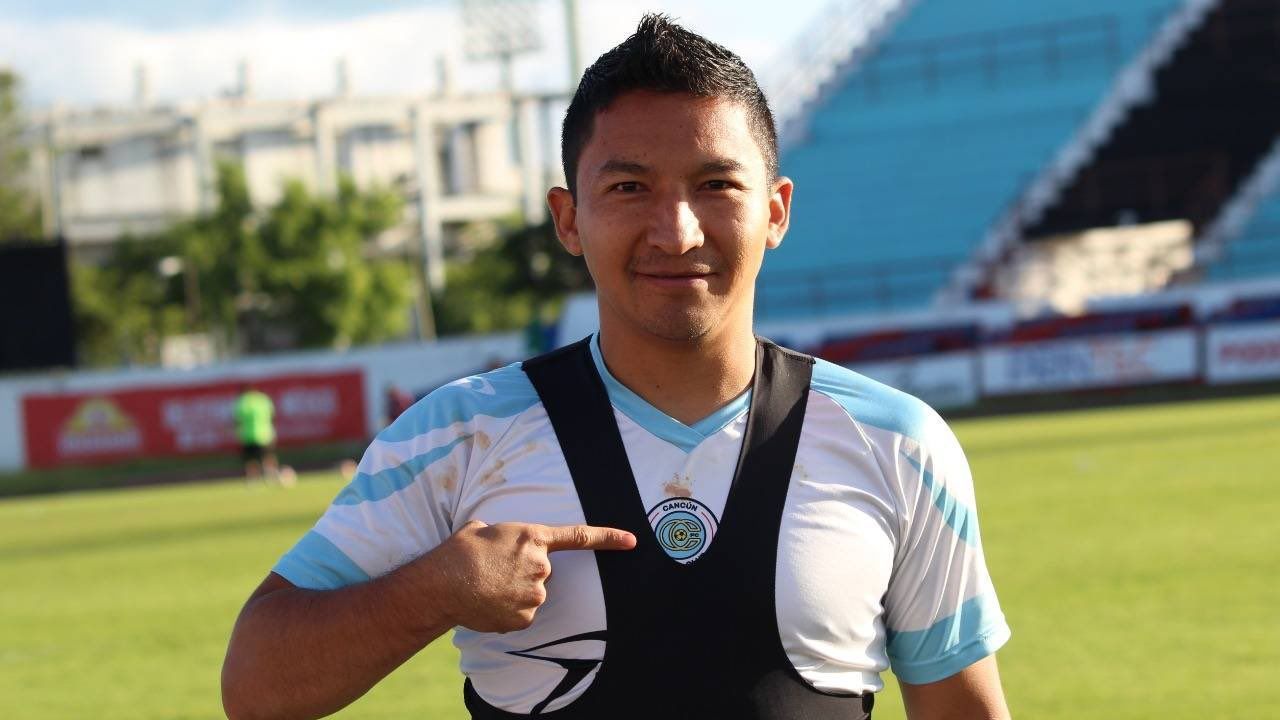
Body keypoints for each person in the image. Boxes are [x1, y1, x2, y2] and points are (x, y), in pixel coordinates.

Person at [222, 15, 1011, 719]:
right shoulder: (458, 435)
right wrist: (430, 592)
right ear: (569, 219)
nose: (676, 232)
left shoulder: (897, 442)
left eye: (716, 185)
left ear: (775, 211)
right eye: (630, 187)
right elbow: (255, 687)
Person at [233, 383, 281, 486]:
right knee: (268, 456)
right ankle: (272, 476)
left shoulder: (243, 401)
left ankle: (253, 479)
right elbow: (272, 415)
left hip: (248, 436)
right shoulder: (263, 399)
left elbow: (237, 419)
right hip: (265, 434)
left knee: (251, 459)